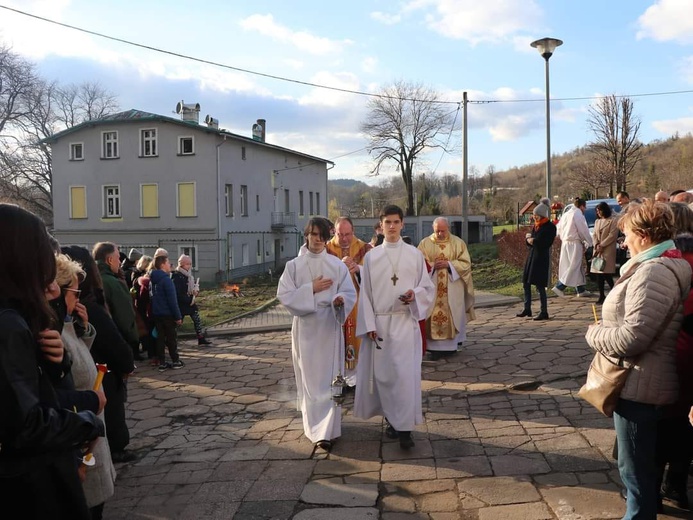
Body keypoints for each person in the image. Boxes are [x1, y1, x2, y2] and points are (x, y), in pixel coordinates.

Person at [585, 199, 691, 519]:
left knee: (636, 475)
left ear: (644, 236)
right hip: (644, 379)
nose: (624, 241)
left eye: (627, 235)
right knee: (640, 469)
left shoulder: (653, 271)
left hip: (640, 385)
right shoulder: (661, 264)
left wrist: (594, 333)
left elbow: (634, 338)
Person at [0, 203, 104, 519]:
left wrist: (56, 364)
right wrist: (88, 421)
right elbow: (24, 426)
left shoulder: (18, 317)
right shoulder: (8, 323)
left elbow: (27, 392)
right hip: (33, 490)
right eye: (42, 244)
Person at [354, 205, 436, 450]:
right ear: (380, 225)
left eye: (396, 222)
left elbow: (427, 287)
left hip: (404, 322)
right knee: (385, 378)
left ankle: (405, 430)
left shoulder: (414, 254)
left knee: (404, 377)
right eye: (387, 222)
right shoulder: (371, 257)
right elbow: (365, 294)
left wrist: (415, 294)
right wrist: (368, 324)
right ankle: (392, 420)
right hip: (379, 323)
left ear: (402, 224)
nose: (391, 226)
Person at [277, 217, 356, 451]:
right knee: (311, 380)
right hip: (306, 327)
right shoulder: (294, 266)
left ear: (326, 237)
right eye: (313, 235)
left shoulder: (337, 265)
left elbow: (348, 292)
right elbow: (284, 295)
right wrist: (310, 288)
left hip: (329, 325)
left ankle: (330, 429)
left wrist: (340, 300)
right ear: (306, 236)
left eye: (322, 236)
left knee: (330, 379)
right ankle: (316, 431)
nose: (318, 240)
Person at [61, 245, 137, 464]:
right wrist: (127, 359)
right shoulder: (89, 306)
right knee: (109, 410)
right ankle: (114, 449)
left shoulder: (81, 308)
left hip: (89, 379)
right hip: (100, 375)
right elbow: (115, 335)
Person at [54, 253, 116, 519]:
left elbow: (81, 362)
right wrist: (93, 400)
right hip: (80, 436)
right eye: (75, 293)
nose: (79, 299)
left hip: (89, 431)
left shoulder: (65, 324)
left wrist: (84, 328)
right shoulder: (51, 332)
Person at [656, 202, 693, 511]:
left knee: (659, 423)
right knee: (681, 420)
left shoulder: (668, 261)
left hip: (672, 351)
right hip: (688, 351)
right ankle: (677, 485)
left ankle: (650, 489)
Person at [417, 216, 475, 358]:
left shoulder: (458, 243)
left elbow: (466, 264)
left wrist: (449, 265)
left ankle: (452, 346)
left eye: (443, 231)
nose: (440, 234)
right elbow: (417, 264)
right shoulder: (425, 243)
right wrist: (432, 266)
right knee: (431, 313)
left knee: (452, 312)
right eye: (437, 231)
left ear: (448, 228)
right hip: (432, 287)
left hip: (452, 287)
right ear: (433, 228)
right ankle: (432, 347)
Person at [325, 217, 372, 387]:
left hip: (358, 305)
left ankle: (355, 380)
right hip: (334, 306)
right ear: (334, 232)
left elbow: (375, 276)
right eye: (340, 234)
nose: (344, 239)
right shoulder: (325, 249)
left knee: (357, 339)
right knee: (335, 342)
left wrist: (358, 269)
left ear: (353, 231)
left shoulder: (365, 249)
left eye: (348, 234)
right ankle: (337, 378)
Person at [93, 242, 141, 361]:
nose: (120, 262)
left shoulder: (91, 278)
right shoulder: (112, 283)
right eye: (118, 258)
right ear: (109, 260)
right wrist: (134, 339)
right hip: (116, 340)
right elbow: (125, 316)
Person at [516, 198, 557, 321]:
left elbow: (546, 243)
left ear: (542, 215)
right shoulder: (536, 226)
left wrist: (533, 240)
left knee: (540, 286)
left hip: (541, 258)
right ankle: (527, 308)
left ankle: (544, 311)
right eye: (534, 215)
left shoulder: (550, 227)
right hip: (531, 256)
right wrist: (529, 240)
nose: (534, 217)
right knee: (526, 283)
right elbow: (531, 240)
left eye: (536, 215)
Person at [552, 198, 593, 297]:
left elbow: (559, 228)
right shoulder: (578, 214)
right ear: (582, 206)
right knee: (574, 265)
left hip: (565, 242)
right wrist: (590, 242)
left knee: (575, 265)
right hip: (574, 243)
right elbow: (583, 230)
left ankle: (580, 289)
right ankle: (560, 286)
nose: (585, 209)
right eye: (585, 207)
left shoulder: (566, 214)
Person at [150, 253, 184, 371]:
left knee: (160, 338)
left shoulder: (152, 280)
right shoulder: (166, 280)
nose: (170, 265)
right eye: (168, 262)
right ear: (163, 264)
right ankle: (175, 361)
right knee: (171, 338)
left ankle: (162, 362)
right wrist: (178, 316)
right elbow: (172, 300)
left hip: (157, 314)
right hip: (168, 314)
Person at [171, 254, 212, 346]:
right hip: (182, 304)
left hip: (190, 303)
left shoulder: (189, 276)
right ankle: (170, 339)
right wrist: (188, 298)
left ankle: (200, 338)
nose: (189, 266)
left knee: (197, 319)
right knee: (177, 323)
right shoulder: (177, 276)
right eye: (187, 264)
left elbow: (191, 287)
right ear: (181, 264)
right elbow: (178, 293)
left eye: (190, 264)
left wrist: (195, 292)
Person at [591, 201, 620, 305]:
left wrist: (602, 245)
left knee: (606, 273)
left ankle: (614, 292)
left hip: (607, 249)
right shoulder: (597, 222)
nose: (598, 212)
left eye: (600, 210)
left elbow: (612, 235)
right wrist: (596, 244)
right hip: (598, 250)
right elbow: (594, 234)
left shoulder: (612, 221)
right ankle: (601, 295)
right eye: (597, 211)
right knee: (599, 274)